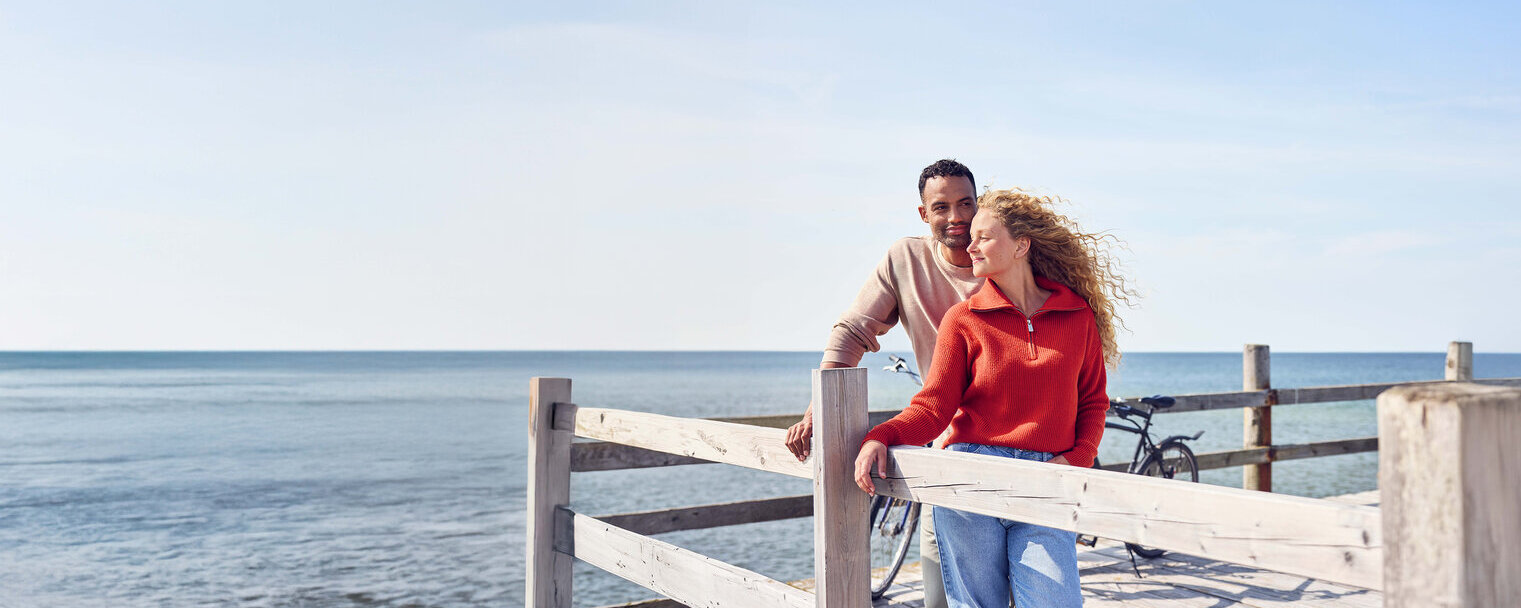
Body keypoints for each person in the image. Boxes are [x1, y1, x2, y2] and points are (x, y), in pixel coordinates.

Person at [853, 187, 1132, 608]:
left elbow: (1093, 402)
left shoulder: (1077, 316)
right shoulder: (963, 320)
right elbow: (934, 407)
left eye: (984, 236)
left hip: (1046, 482)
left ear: (1021, 245)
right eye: (972, 237)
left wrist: (1077, 461)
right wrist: (882, 435)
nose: (970, 244)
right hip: (971, 478)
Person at [784, 158, 981, 608]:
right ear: (923, 213)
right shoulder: (906, 259)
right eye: (942, 206)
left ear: (979, 203)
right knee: (940, 591)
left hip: (1015, 446)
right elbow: (853, 331)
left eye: (966, 203)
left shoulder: (1004, 258)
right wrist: (820, 409)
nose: (956, 218)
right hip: (948, 443)